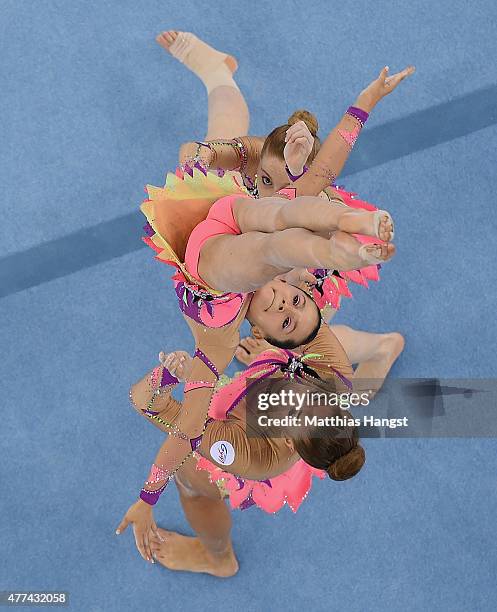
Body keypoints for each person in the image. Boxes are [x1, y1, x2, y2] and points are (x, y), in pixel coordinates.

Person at [117, 318, 404, 576]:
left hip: (248, 455)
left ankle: (218, 559)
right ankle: (382, 347)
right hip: (280, 417)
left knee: (191, 483)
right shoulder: (322, 379)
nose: (295, 393)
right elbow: (308, 313)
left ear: (290, 439)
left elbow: (154, 408)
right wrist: (273, 346)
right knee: (310, 338)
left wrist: (169, 378)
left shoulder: (245, 453)